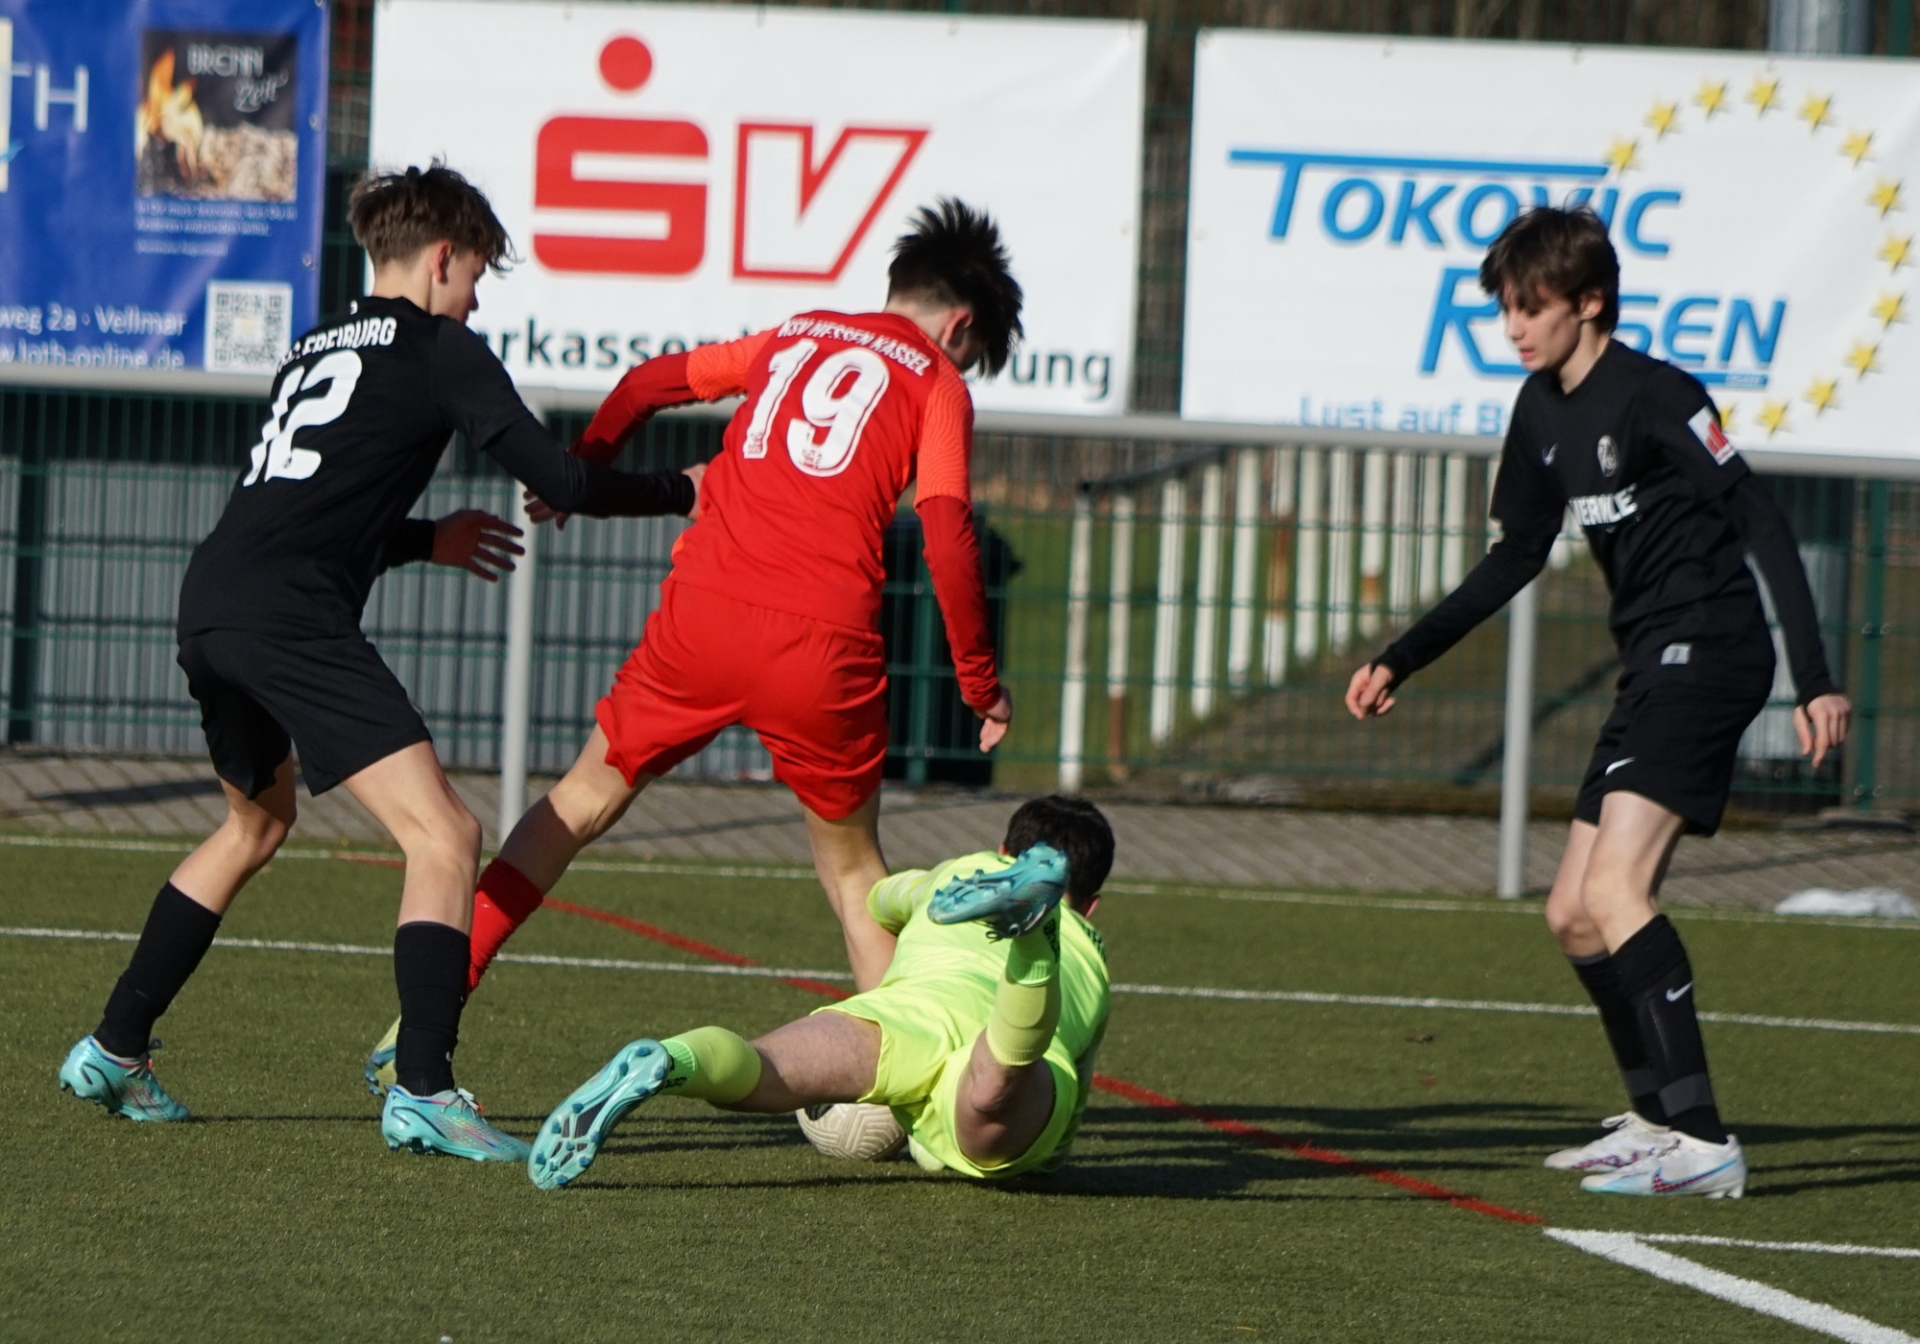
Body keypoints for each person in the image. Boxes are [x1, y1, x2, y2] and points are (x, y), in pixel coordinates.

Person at [57, 164, 701, 1162]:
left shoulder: (316, 345)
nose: (476, 300)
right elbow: (563, 480)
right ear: (443, 258)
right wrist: (686, 488)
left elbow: (303, 509)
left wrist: (425, 537)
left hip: (214, 598)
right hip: (288, 616)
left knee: (255, 824)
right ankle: (427, 1090)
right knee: (446, 833)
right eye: (476, 276)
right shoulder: (442, 349)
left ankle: (114, 1045)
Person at [364, 198, 1020, 1094]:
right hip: (821, 642)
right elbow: (946, 535)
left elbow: (645, 386)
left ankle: (424, 1017)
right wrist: (980, 684)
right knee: (853, 876)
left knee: (577, 803)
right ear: (959, 326)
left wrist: (586, 468)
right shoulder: (939, 384)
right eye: (970, 354)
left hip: (703, 616)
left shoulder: (796, 334)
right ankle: (924, 1094)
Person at [1346, 206, 1850, 1200]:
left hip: (1711, 653)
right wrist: (1402, 658)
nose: (1514, 328)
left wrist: (1817, 674)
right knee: (1574, 915)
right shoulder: (1540, 411)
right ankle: (1656, 1121)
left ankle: (1705, 1142)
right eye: (1505, 308)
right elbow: (1515, 558)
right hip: (1650, 665)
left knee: (1618, 892)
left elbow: (1760, 518)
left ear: (1589, 302)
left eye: (1530, 307)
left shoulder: (1659, 395)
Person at [523, 795, 1113, 1189]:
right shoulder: (1092, 953)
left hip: (907, 1012)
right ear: (1090, 905)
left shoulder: (956, 873)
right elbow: (1072, 1102)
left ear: (1002, 854)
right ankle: (1034, 945)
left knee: (764, 1066)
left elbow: (879, 900)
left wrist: (906, 906)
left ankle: (674, 1059)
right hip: (996, 1034)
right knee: (992, 1092)